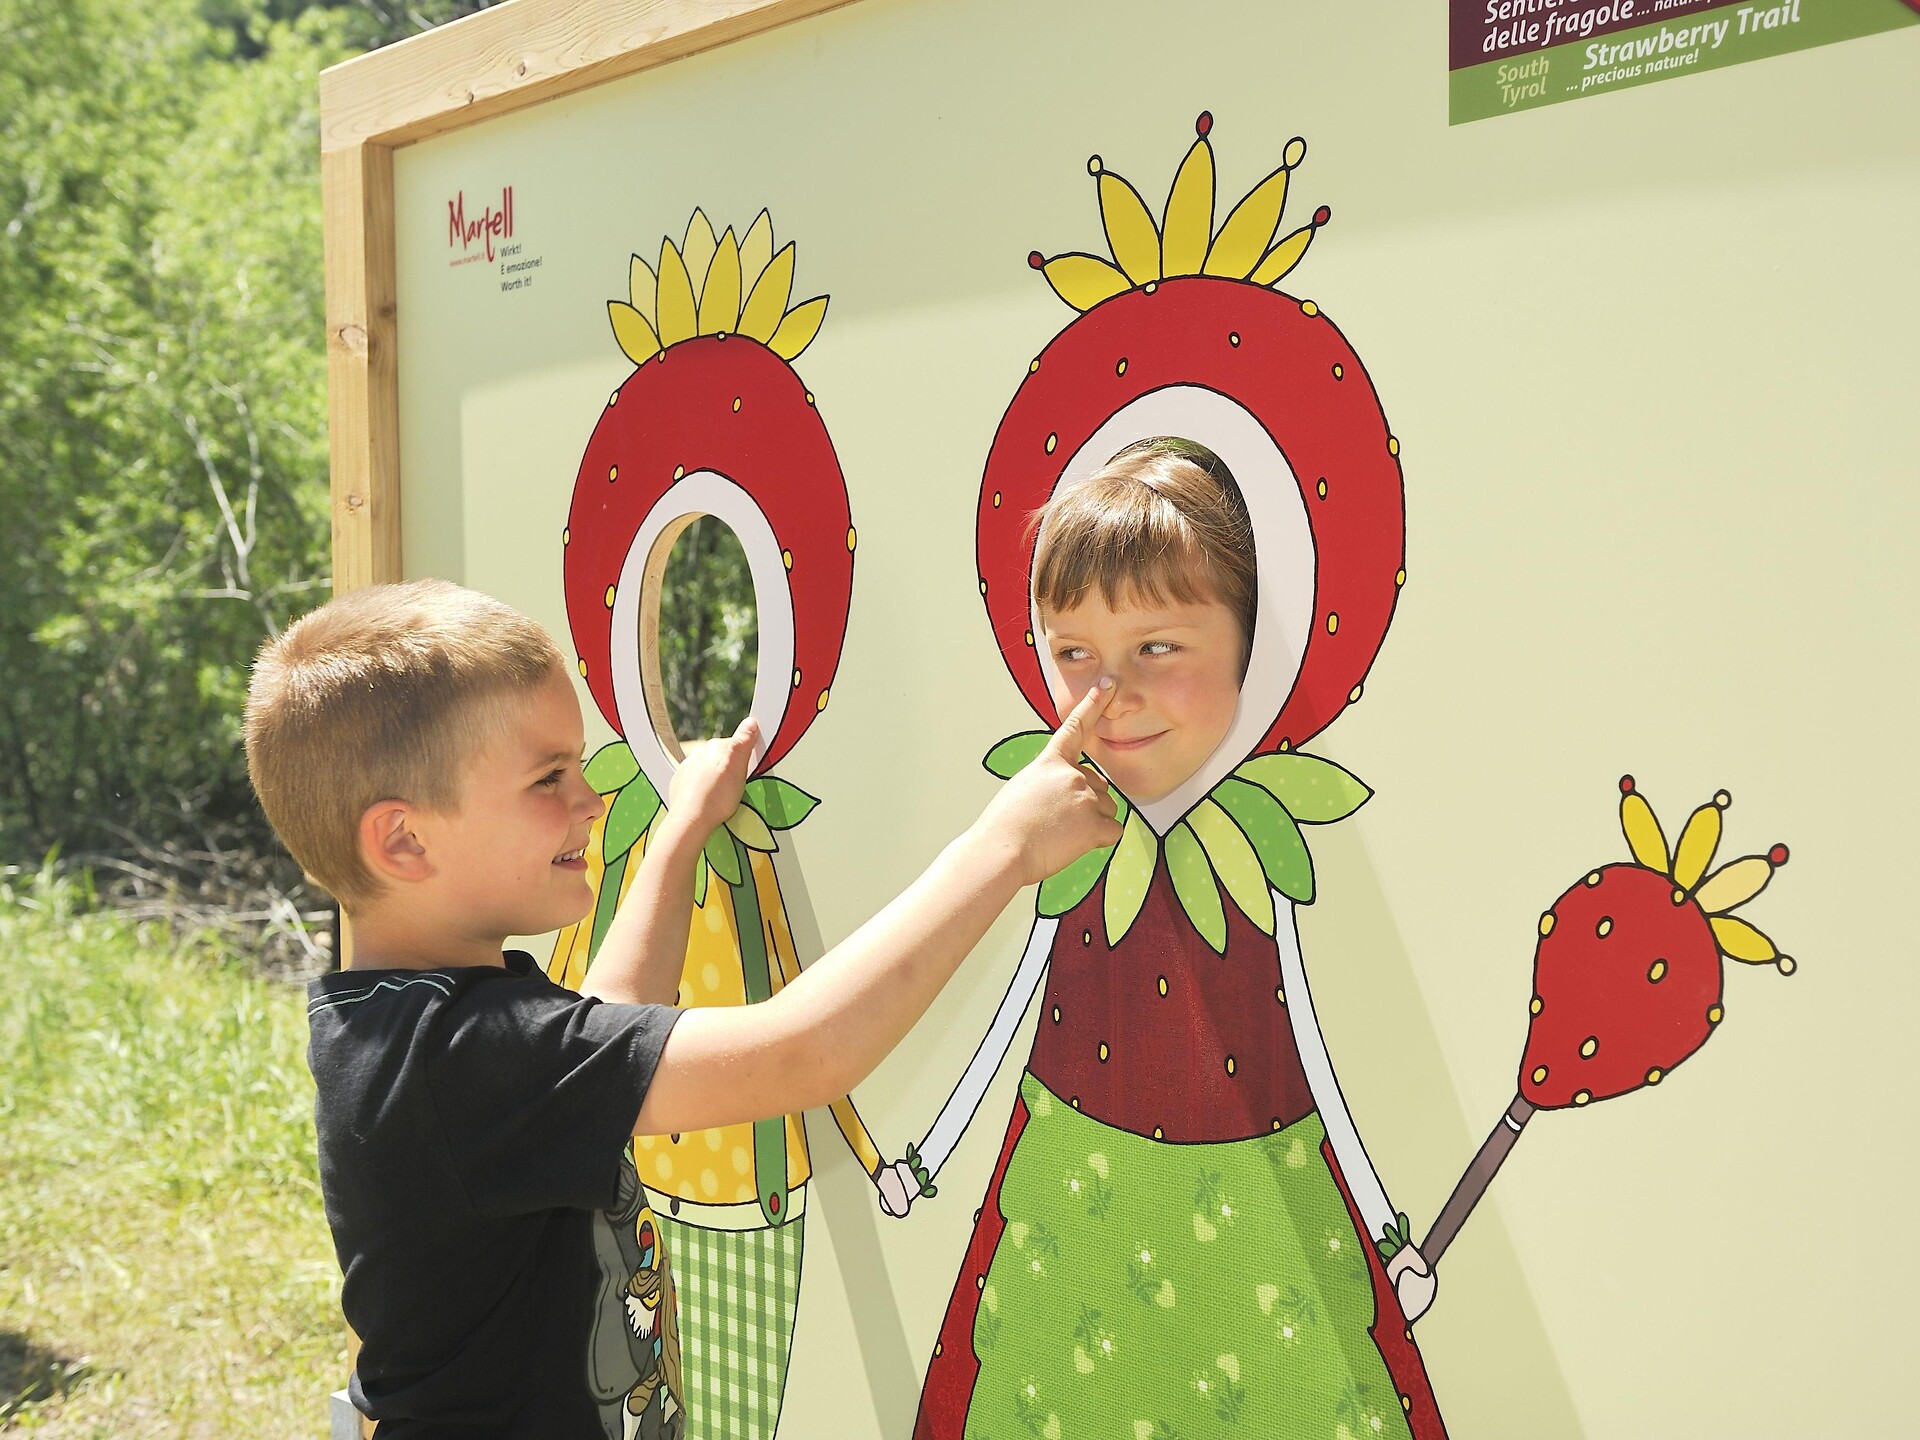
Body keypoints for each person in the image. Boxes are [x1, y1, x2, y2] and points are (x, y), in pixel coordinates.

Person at [241, 579, 1119, 1440]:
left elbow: (612, 1016)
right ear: (403, 840)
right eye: (549, 779)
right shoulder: (463, 1055)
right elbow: (802, 1055)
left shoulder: (412, 1026)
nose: (588, 801)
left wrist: (682, 829)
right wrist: (1004, 846)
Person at [893, 438, 1448, 1439]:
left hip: (1258, 1212)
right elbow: (1013, 1011)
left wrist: (1384, 1228)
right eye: (1075, 655)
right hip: (1076, 1205)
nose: (1113, 696)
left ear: (1247, 646)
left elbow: (1313, 1053)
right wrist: (929, 1155)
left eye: (1157, 648)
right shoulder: (1062, 840)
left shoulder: (1251, 863)